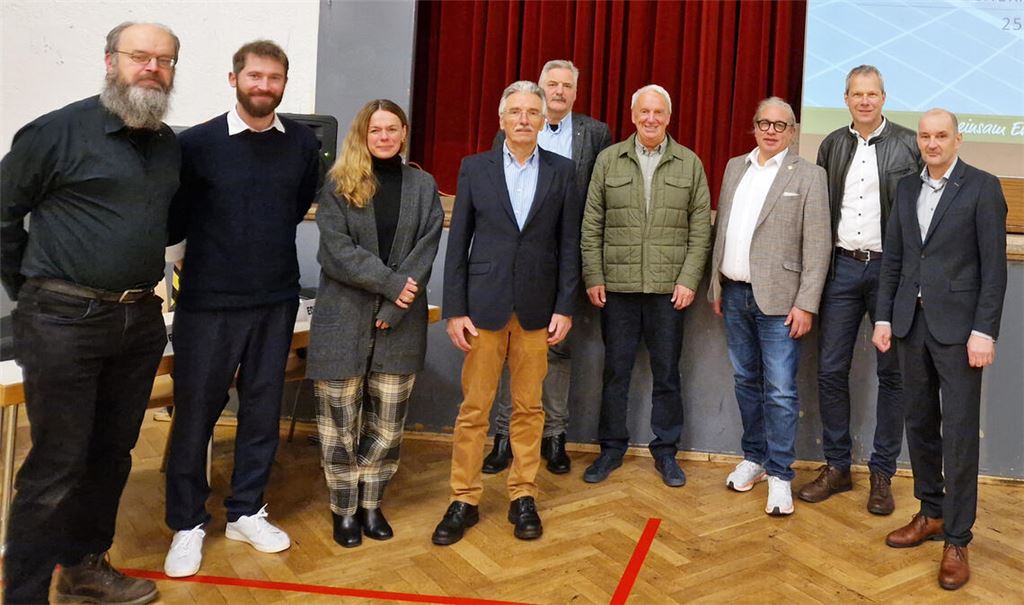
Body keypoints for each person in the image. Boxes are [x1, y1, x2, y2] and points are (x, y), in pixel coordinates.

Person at [0, 21, 180, 605]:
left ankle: (84, 569)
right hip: (62, 322)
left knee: (111, 454)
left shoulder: (167, 144)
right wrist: (31, 291)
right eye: (140, 56)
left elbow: (164, 225)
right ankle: (24, 594)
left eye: (164, 60)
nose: (152, 68)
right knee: (57, 465)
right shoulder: (56, 132)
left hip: (138, 320)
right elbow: (2, 217)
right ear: (111, 61)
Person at [163, 40, 320, 578]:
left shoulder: (300, 144)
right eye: (255, 76)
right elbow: (176, 219)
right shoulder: (199, 143)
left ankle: (246, 510)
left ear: (283, 83)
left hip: (275, 300)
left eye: (274, 78)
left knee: (260, 414)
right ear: (234, 80)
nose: (264, 86)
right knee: (195, 419)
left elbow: (296, 205)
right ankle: (186, 523)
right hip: (208, 304)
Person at [432, 81, 579, 545]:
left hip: (538, 311)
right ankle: (464, 498)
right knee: (474, 410)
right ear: (501, 119)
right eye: (514, 111)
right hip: (482, 309)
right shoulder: (474, 169)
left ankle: (523, 494)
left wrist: (565, 307)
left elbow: (569, 245)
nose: (523, 119)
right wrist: (454, 310)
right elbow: (458, 246)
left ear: (543, 120)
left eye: (532, 112)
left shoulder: (563, 171)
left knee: (529, 408)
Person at [873, 108, 1007, 590]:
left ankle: (957, 537)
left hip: (960, 332)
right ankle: (930, 512)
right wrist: (885, 316)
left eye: (941, 136)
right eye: (925, 136)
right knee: (920, 424)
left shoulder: (983, 187)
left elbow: (994, 267)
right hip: (910, 326)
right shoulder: (907, 188)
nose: (931, 143)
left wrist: (984, 332)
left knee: (959, 435)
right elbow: (896, 258)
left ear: (958, 139)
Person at [306, 99, 443, 548]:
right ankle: (344, 509)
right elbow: (336, 253)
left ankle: (371, 503)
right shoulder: (338, 185)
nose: (384, 137)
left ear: (404, 133)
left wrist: (394, 306)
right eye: (375, 130)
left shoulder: (423, 186)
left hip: (401, 322)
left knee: (386, 427)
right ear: (363, 136)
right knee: (339, 425)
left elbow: (423, 253)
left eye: (392, 129)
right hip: (341, 319)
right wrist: (390, 284)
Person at [801, 65, 922, 515]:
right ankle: (837, 467)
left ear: (884, 98)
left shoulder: (909, 144)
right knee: (831, 370)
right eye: (857, 94)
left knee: (892, 375)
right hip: (842, 271)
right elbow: (818, 212)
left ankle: (882, 472)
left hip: (890, 272)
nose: (865, 101)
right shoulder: (831, 144)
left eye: (873, 94)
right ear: (846, 99)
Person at [484, 60, 612, 475]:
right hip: (518, 263)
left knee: (557, 351)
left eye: (566, 86)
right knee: (509, 349)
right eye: (551, 84)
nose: (558, 91)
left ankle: (554, 436)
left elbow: (597, 204)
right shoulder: (505, 134)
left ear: (576, 92)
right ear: (537, 92)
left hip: (566, 260)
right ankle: (503, 436)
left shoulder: (595, 133)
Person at [580, 84, 711, 487]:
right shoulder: (608, 161)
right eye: (644, 112)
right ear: (633, 116)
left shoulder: (690, 164)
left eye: (658, 112)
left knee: (667, 374)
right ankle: (611, 449)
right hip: (616, 288)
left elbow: (700, 231)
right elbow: (591, 224)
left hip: (668, 291)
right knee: (615, 372)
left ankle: (666, 451)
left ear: (668, 118)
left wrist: (689, 279)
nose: (651, 119)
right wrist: (594, 275)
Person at [707, 97, 830, 516]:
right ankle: (755, 459)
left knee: (780, 391)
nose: (771, 130)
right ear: (754, 127)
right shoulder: (733, 167)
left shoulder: (810, 176)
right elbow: (722, 227)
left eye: (780, 125)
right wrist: (715, 284)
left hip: (782, 301)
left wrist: (807, 303)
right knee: (745, 382)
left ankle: (780, 475)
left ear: (793, 132)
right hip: (735, 293)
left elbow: (818, 246)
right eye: (764, 123)